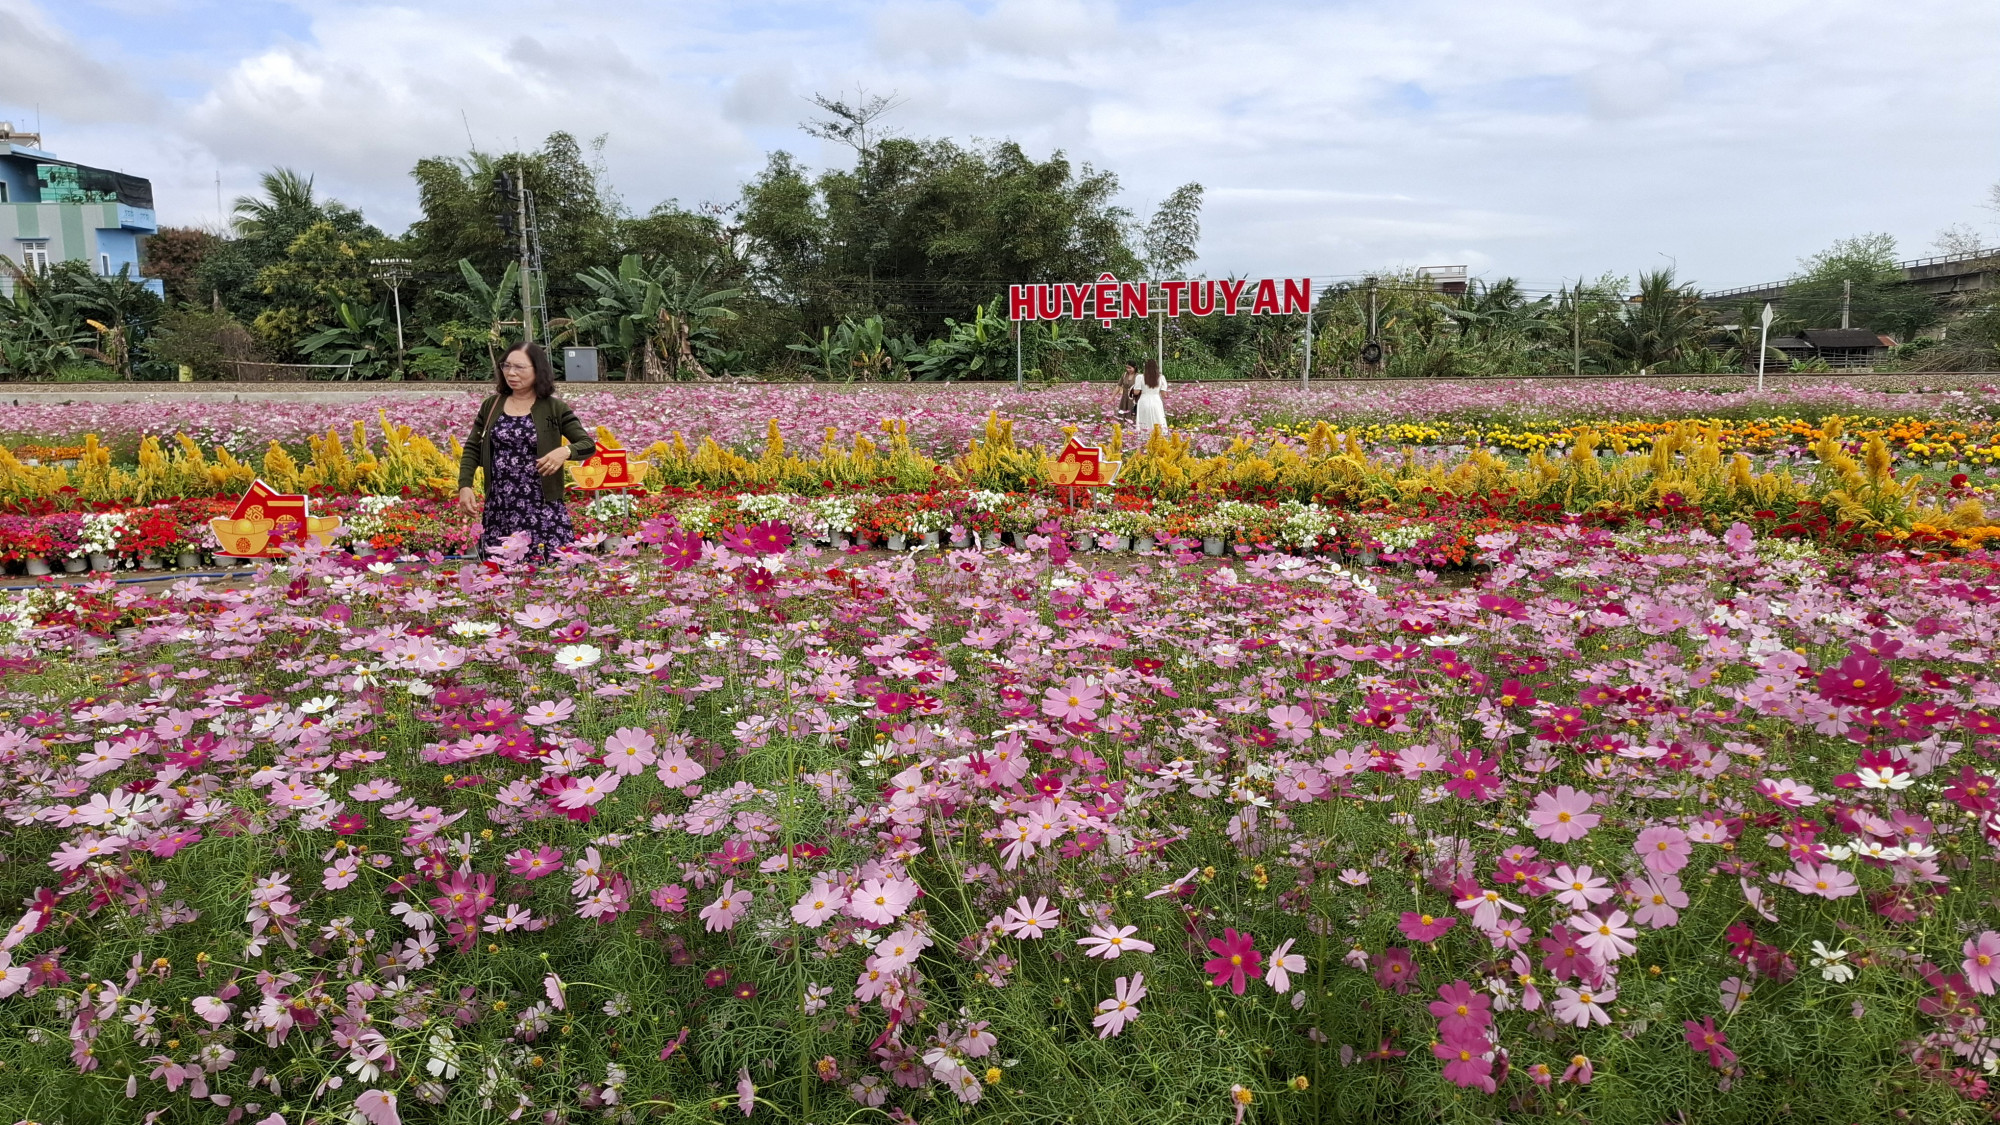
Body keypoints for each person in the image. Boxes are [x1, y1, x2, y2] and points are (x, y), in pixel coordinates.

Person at [457, 342, 596, 559]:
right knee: (501, 575)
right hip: (500, 507)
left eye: (520, 367)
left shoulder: (553, 408)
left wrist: (564, 452)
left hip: (542, 506)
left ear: (538, 370)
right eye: (506, 366)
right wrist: (464, 486)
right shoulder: (491, 405)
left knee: (551, 572)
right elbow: (473, 448)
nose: (511, 373)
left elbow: (587, 444)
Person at [1132, 357, 1168, 443]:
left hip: (1144, 400)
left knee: (1144, 419)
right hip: (1156, 399)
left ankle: (1145, 438)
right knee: (1158, 418)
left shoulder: (1140, 377)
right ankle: (1159, 437)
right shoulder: (1161, 377)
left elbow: (1136, 392)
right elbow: (1164, 394)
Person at [1115, 361, 1139, 425]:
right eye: (1127, 368)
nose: (1128, 370)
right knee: (1122, 414)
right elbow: (1118, 386)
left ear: (1135, 367)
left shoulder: (1138, 376)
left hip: (1133, 399)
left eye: (1130, 368)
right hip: (1124, 398)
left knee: (1132, 414)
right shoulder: (1124, 375)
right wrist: (1111, 397)